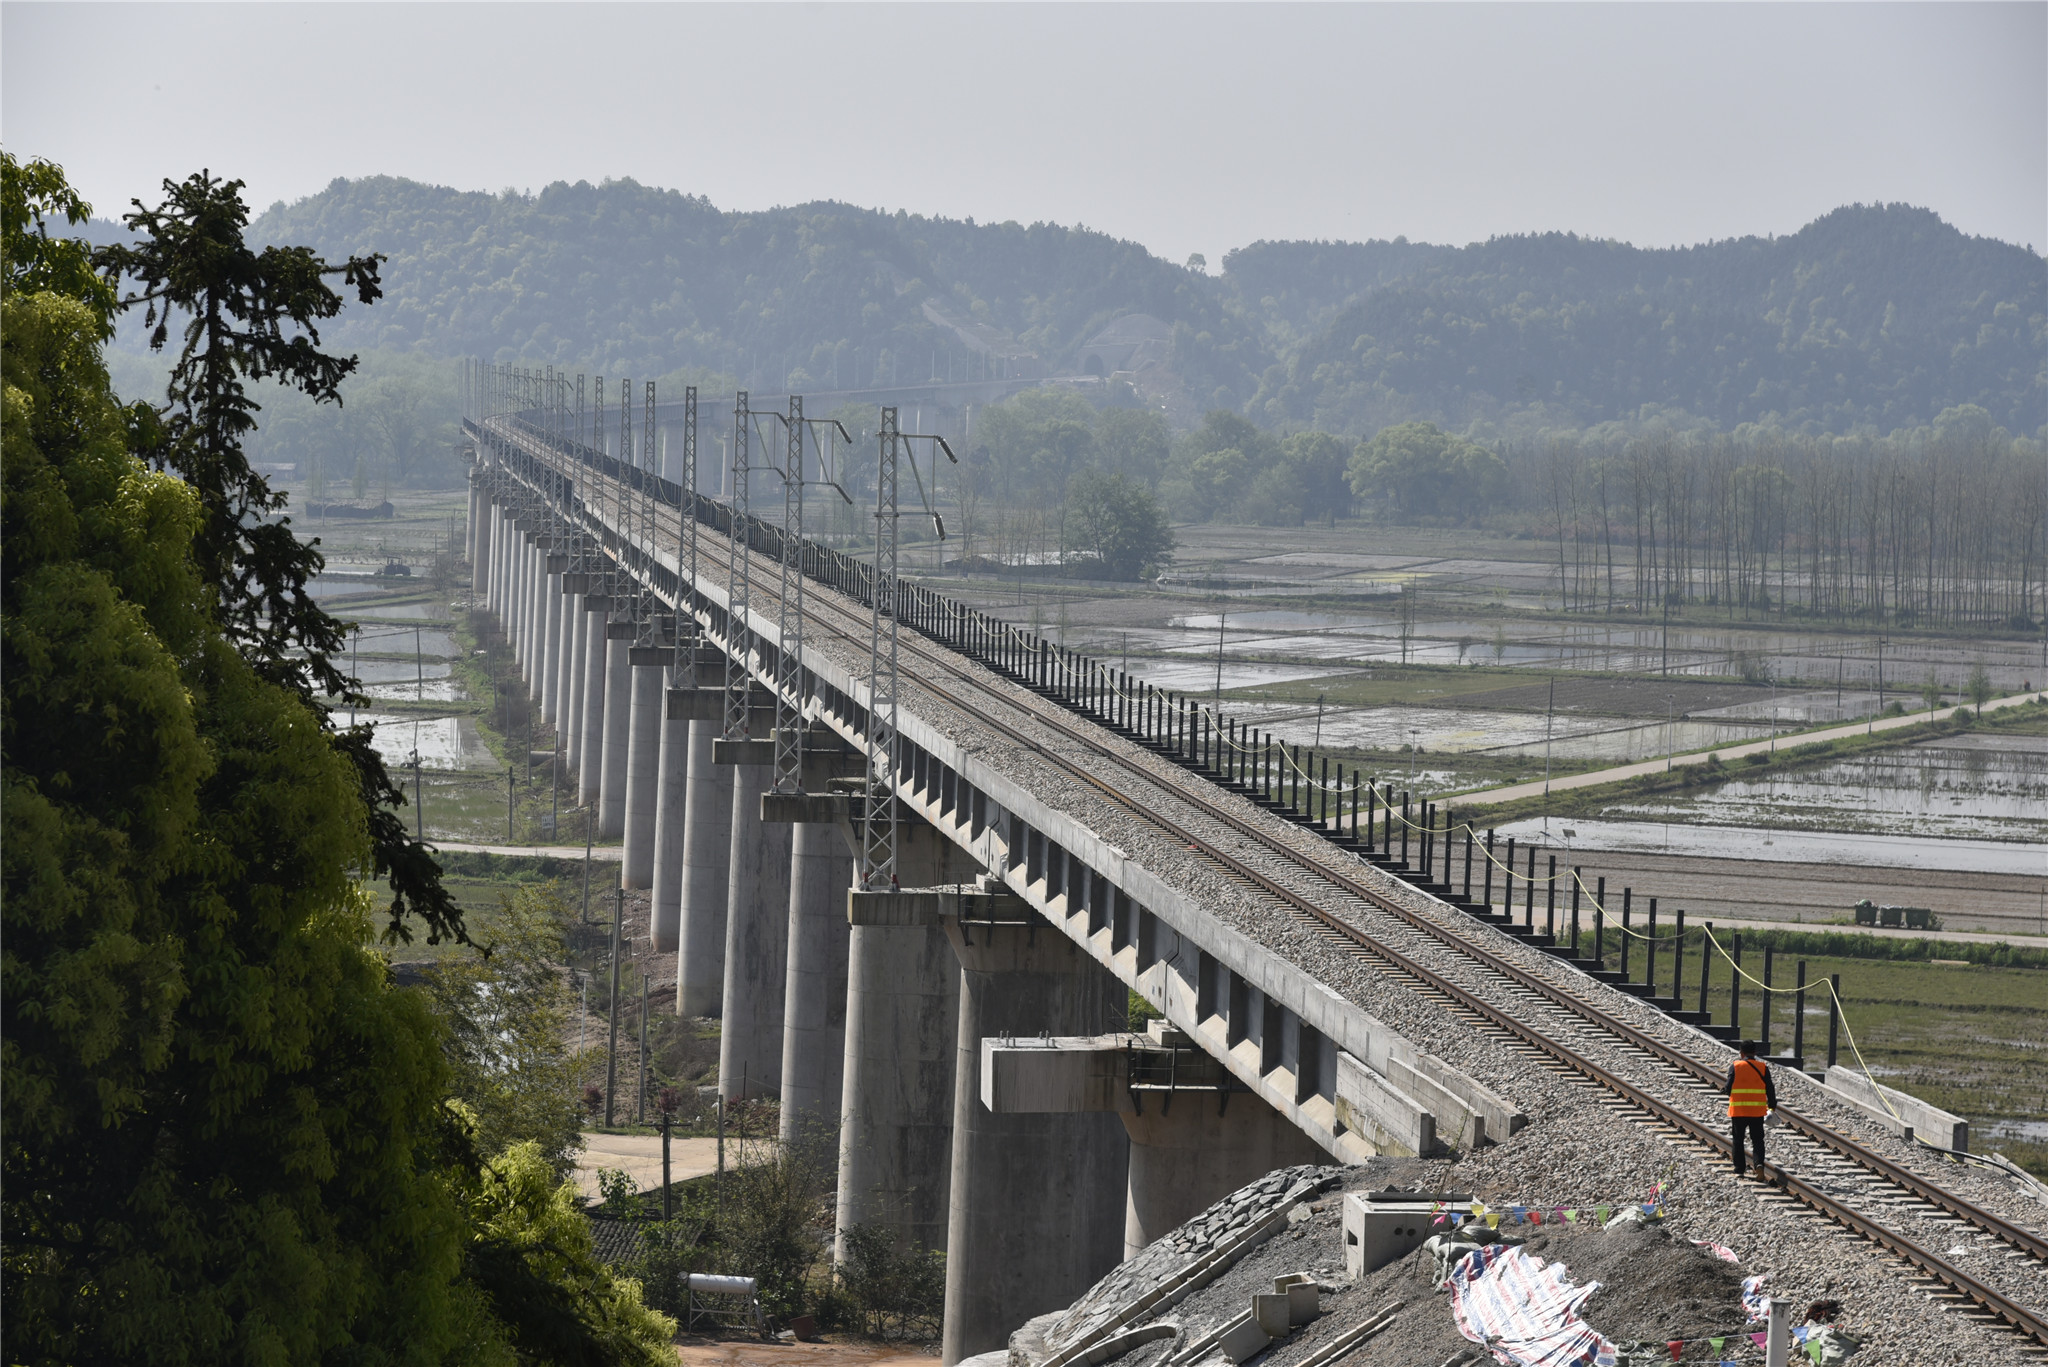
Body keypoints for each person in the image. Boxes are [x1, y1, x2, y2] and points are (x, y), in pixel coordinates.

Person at [1722, 1039, 1777, 1180]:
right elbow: (1770, 1089)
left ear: (1741, 1053)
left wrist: (1732, 1095)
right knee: (1758, 1140)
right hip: (1757, 1111)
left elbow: (1728, 1087)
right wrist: (1772, 1106)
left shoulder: (1735, 1066)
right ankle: (1758, 1164)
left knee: (1738, 1139)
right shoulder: (1762, 1067)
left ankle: (1739, 1169)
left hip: (1738, 1110)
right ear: (1755, 1052)